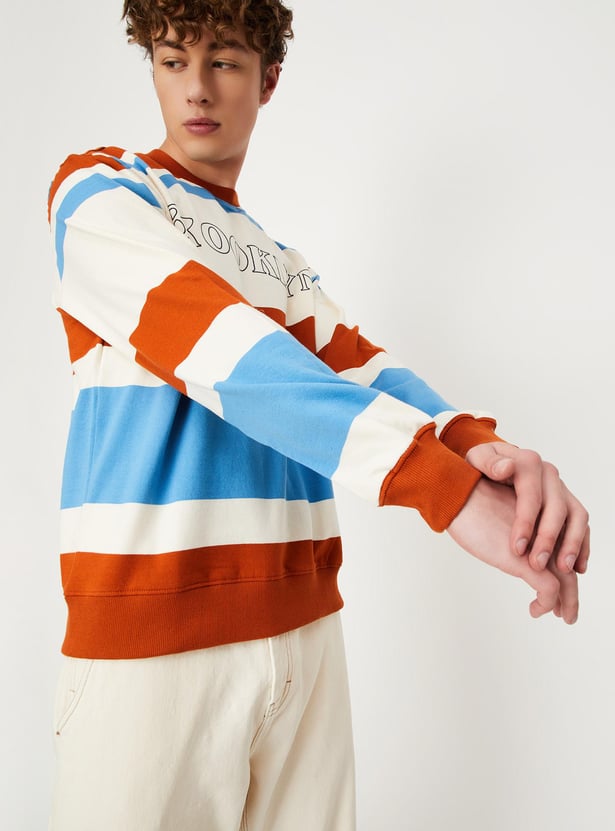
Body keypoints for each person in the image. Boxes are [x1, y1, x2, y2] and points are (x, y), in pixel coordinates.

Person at [47, 1, 590, 828]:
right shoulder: (100, 190)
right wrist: (444, 491)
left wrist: (488, 453)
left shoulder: (278, 262)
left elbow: (362, 369)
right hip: (152, 636)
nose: (196, 89)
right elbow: (229, 352)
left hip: (304, 631)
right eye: (172, 60)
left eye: (224, 61)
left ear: (268, 79)